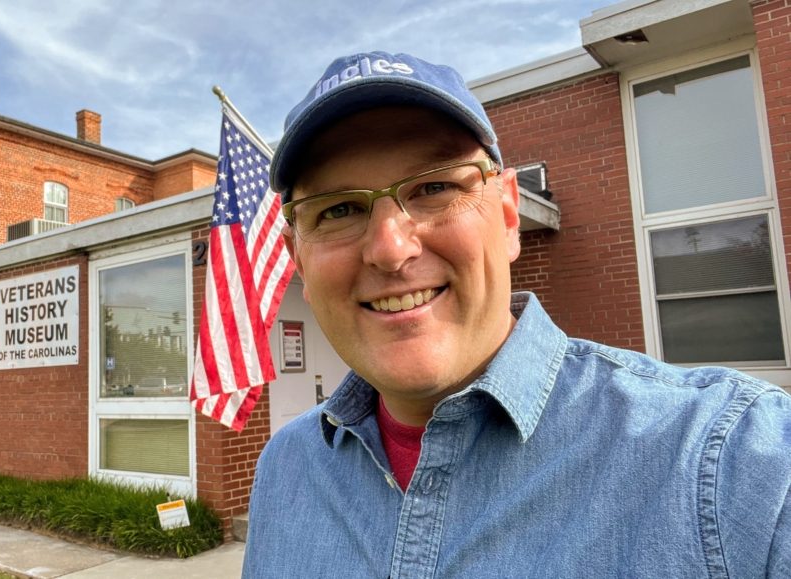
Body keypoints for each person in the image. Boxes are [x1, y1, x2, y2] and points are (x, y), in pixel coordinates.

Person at [243, 51, 791, 578]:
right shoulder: (286, 472)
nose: (390, 249)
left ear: (507, 217)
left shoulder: (736, 464)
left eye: (435, 187)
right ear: (299, 260)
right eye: (339, 209)